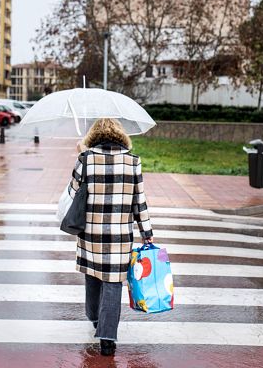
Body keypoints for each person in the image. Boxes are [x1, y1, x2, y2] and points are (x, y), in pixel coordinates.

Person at [65, 118, 154, 356]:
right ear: (120, 137)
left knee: (93, 276)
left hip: (90, 232)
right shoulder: (133, 162)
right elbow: (139, 201)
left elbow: (73, 191)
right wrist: (147, 232)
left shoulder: (85, 159)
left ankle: (95, 318)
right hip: (119, 235)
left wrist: (81, 155)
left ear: (93, 137)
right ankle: (107, 338)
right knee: (113, 283)